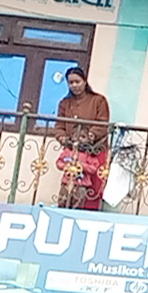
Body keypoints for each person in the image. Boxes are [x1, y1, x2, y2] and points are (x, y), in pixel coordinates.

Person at [55, 66, 110, 210]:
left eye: (77, 82)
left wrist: (90, 136)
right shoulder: (64, 103)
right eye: (71, 83)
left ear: (85, 81)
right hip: (73, 153)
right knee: (70, 189)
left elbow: (103, 123)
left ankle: (90, 215)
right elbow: (59, 126)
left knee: (94, 187)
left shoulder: (98, 100)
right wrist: (63, 139)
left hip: (95, 151)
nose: (74, 86)